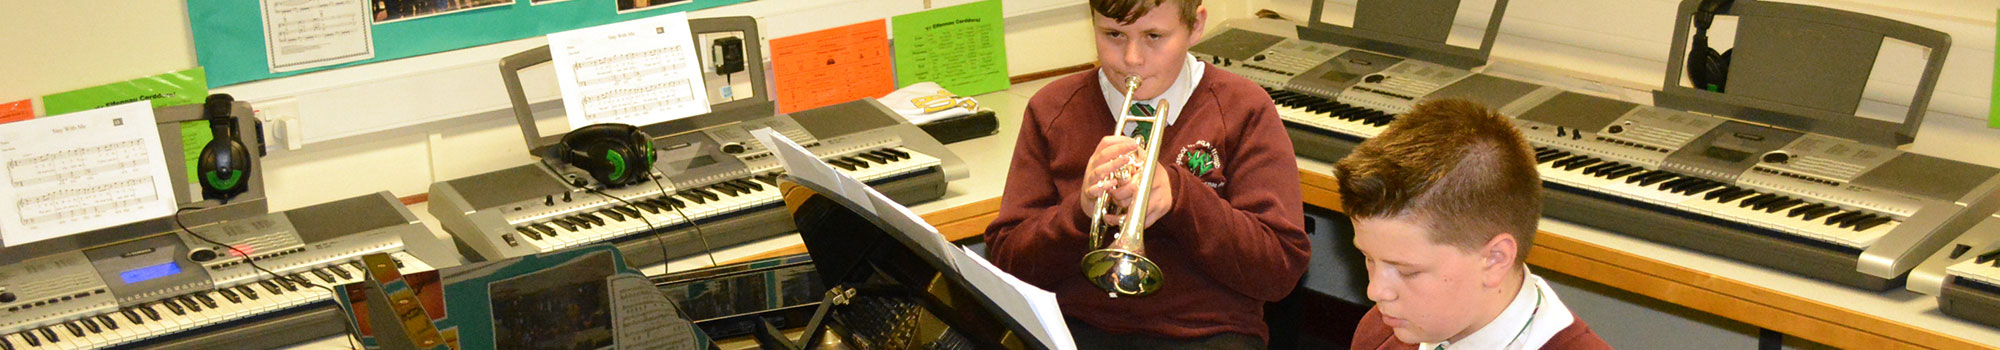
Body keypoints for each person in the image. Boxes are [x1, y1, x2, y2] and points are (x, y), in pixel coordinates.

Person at [982, 0, 1311, 348]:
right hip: (1074, 325)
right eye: (1113, 34)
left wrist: (1182, 197)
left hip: (1206, 331)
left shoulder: (1244, 108)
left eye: (1154, 36)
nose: (1132, 59)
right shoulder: (1053, 109)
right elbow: (1009, 263)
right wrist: (1080, 213)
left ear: (1196, 26)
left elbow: (1278, 270)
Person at [1335, 99, 1611, 349]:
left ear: (1494, 260)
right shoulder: (1380, 333)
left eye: (1407, 272)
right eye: (1369, 258)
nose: (1375, 291)